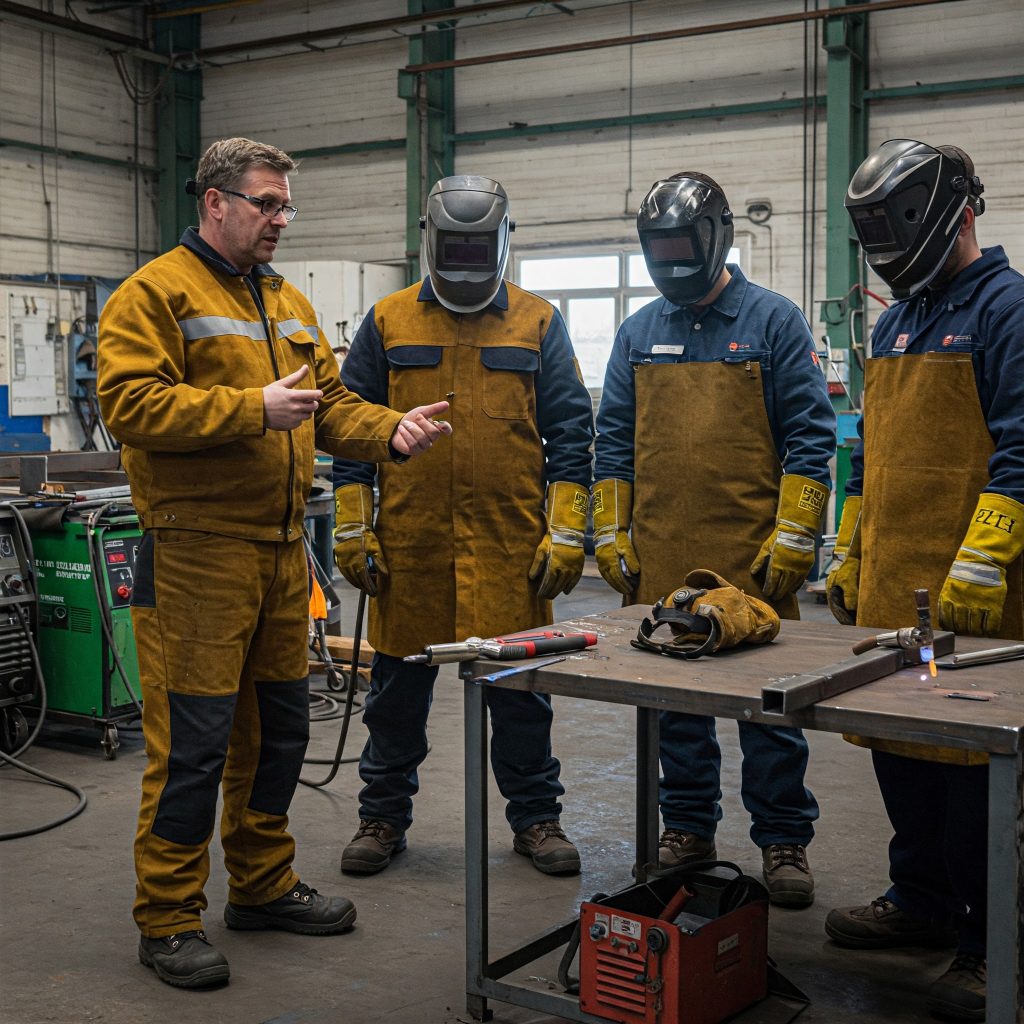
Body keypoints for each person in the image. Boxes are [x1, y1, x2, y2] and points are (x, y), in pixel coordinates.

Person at [97, 137, 450, 990]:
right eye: (266, 203)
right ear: (215, 202)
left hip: (281, 552)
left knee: (282, 731)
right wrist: (250, 407)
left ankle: (259, 883)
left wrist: (387, 431)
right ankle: (170, 916)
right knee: (194, 745)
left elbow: (326, 405)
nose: (280, 219)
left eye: (286, 206)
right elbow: (129, 404)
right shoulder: (154, 294)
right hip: (196, 556)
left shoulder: (287, 300)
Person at [332, 174, 594, 878]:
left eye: (480, 248)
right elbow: (352, 429)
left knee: (520, 704)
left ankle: (537, 820)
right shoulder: (388, 320)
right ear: (430, 241)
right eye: (456, 247)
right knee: (394, 704)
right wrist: (354, 527)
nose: (467, 261)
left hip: (509, 551)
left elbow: (572, 432)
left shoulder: (537, 320)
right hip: (410, 551)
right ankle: (381, 819)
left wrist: (567, 529)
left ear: (504, 242)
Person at [592, 171, 836, 907]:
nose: (670, 264)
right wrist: (611, 529)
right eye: (657, 251)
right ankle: (689, 828)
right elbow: (612, 444)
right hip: (663, 556)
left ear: (718, 237)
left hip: (754, 561)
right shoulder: (639, 333)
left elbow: (810, 436)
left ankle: (783, 837)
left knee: (771, 710)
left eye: (680, 248)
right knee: (677, 708)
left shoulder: (773, 321)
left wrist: (796, 535)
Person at [825, 139, 1023, 1022]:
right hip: (898, 595)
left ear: (959, 211)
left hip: (982, 600)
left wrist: (983, 555)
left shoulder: (1009, 308)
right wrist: (851, 547)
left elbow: (1022, 445)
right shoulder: (896, 319)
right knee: (904, 757)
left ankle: (993, 940)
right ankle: (922, 905)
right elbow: (872, 457)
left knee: (979, 778)